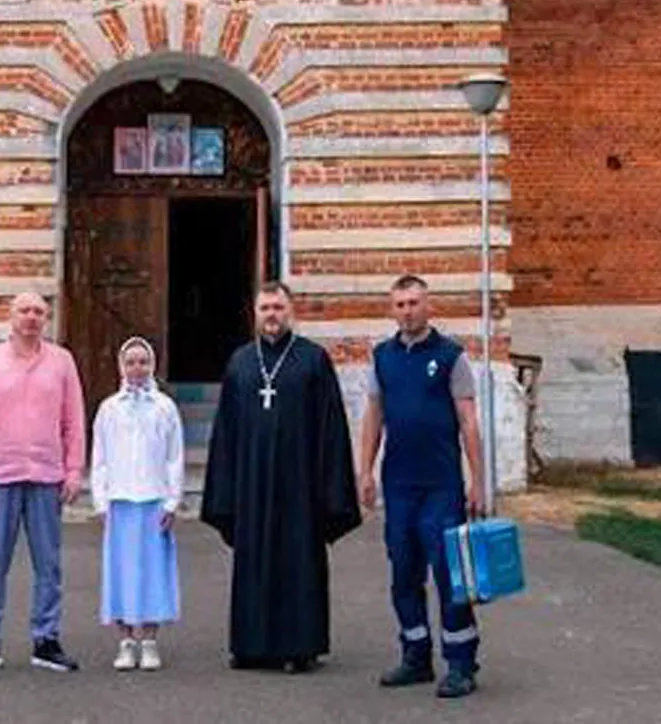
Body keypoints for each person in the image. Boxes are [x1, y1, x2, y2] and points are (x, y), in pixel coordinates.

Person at [200, 280, 362, 673]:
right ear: (254, 314)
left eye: (278, 308)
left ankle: (299, 646)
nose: (271, 315)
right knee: (253, 561)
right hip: (252, 485)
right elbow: (225, 433)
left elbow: (331, 429)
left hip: (300, 486)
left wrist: (332, 492)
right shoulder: (240, 362)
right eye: (265, 308)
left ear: (291, 312)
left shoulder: (313, 360)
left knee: (297, 563)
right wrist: (225, 492)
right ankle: (250, 646)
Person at [357, 274, 487, 699]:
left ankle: (461, 664)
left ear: (428, 306)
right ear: (391, 309)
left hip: (442, 486)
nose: (407, 310)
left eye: (414, 302)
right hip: (399, 485)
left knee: (450, 576)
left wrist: (478, 482)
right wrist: (365, 471)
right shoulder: (382, 358)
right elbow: (373, 416)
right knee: (403, 574)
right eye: (400, 304)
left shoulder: (452, 357)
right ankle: (415, 656)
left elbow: (468, 421)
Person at [0, 292, 87, 675]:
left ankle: (46, 640)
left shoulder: (62, 362)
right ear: (10, 316)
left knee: (49, 564)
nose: (31, 317)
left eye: (38, 311)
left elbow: (74, 419)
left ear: (46, 318)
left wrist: (74, 469)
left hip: (46, 476)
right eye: (24, 311)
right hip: (0, 476)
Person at [89, 336, 185, 672]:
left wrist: (172, 502)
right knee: (122, 571)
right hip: (121, 501)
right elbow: (99, 458)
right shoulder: (109, 409)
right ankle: (126, 639)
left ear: (152, 366)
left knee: (152, 571)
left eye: (143, 362)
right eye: (130, 362)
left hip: (153, 501)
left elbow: (175, 456)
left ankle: (150, 639)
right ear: (121, 366)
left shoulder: (165, 408)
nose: (137, 368)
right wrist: (101, 501)